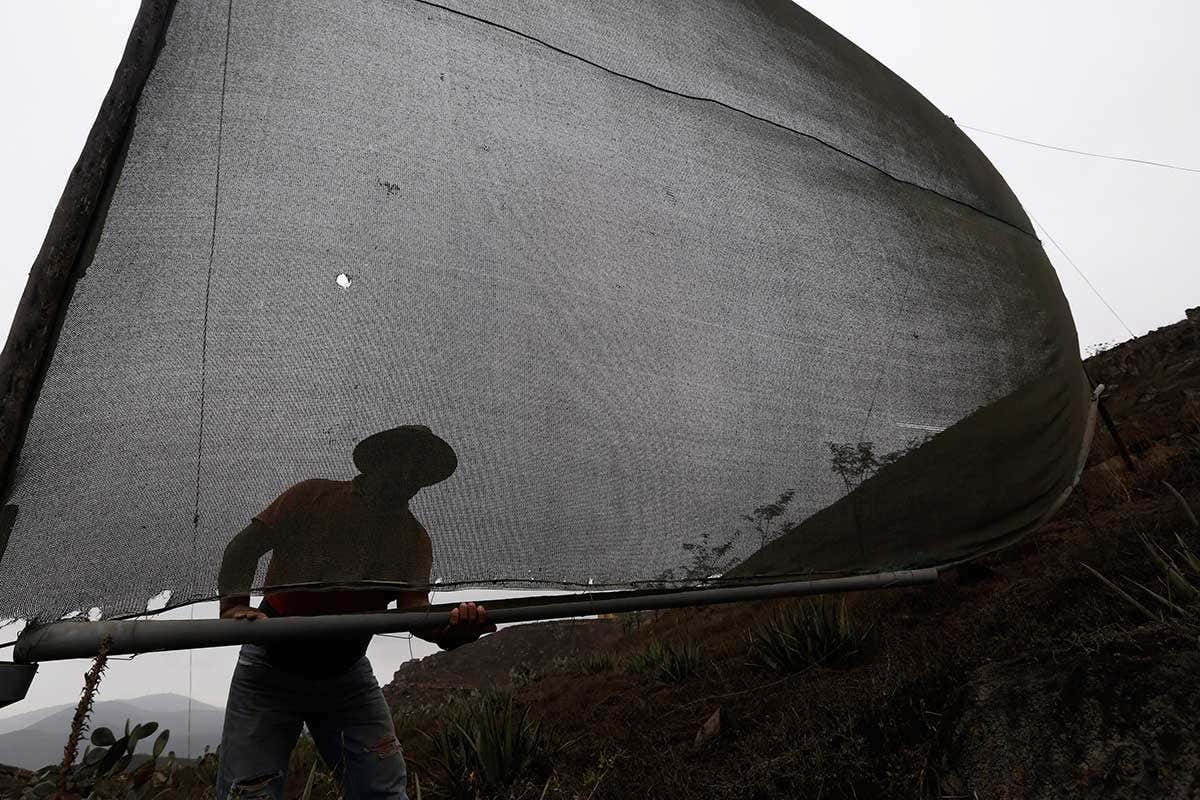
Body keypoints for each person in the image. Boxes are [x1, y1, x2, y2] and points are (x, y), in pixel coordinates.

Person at [214, 425, 494, 800]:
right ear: (378, 461)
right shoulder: (312, 496)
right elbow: (243, 549)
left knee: (383, 791)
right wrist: (234, 607)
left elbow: (415, 610)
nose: (411, 478)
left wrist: (452, 632)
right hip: (270, 668)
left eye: (420, 472)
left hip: (346, 678)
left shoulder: (412, 538)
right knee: (248, 792)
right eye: (405, 464)